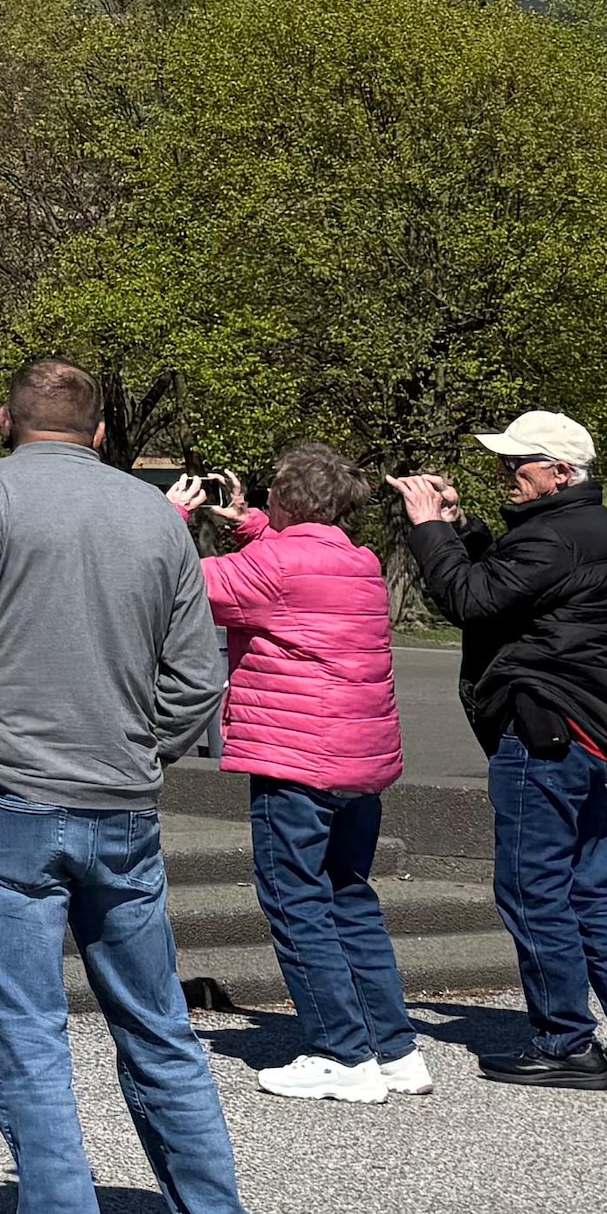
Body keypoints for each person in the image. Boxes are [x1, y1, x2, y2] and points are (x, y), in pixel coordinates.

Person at [0, 360, 277, 1214]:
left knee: (30, 1044)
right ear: (104, 432)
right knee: (159, 1035)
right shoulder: (150, 518)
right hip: (117, 799)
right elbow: (198, 675)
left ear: (4, 420)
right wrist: (140, 743)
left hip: (9, 794)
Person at [394, 413, 607, 1095]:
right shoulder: (585, 529)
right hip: (581, 732)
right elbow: (511, 583)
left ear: (561, 472)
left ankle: (565, 1041)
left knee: (533, 891)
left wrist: (430, 530)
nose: (506, 475)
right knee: (586, 890)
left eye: (516, 463)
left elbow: (471, 599)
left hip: (543, 733)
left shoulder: (556, 536)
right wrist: (464, 530)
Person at [174, 449, 423, 1101]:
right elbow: (292, 574)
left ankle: (340, 1053)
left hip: (297, 755)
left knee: (295, 898)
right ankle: (393, 1048)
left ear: (286, 501)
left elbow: (178, 583)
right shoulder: (357, 561)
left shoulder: (275, 565)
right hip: (358, 757)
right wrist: (252, 528)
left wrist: (172, 516)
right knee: (349, 893)